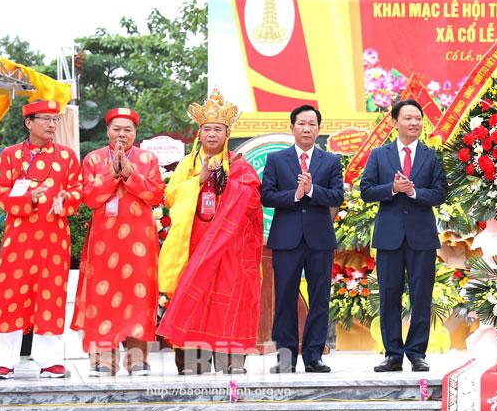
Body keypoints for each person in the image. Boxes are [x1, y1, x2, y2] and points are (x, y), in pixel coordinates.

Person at [157, 89, 264, 375]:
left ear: (227, 133)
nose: (212, 134)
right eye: (207, 129)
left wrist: (226, 184)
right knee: (194, 302)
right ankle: (193, 365)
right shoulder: (186, 166)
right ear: (199, 133)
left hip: (228, 249)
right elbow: (170, 195)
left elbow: (253, 198)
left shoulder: (239, 165)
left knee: (227, 303)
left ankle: (231, 363)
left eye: (218, 129)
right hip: (193, 246)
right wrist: (199, 181)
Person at [0, 100, 82, 379]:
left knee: (51, 296)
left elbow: (78, 189)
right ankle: (3, 361)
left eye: (55, 119)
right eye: (46, 119)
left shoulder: (66, 157)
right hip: (18, 241)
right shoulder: (10, 156)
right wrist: (30, 198)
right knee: (9, 294)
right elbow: (1, 193)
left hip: (54, 239)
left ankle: (49, 360)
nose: (52, 124)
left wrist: (66, 198)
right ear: (29, 123)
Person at [72, 108, 165, 377]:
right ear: (107, 131)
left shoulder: (148, 159)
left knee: (139, 297)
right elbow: (88, 198)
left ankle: (137, 361)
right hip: (104, 241)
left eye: (127, 129)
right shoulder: (93, 159)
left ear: (135, 132)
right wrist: (112, 174)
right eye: (116, 129)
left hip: (140, 240)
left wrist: (131, 175)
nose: (122, 134)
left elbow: (156, 194)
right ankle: (103, 360)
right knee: (101, 297)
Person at [361, 99, 448, 372]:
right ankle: (393, 354)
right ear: (394, 122)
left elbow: (440, 193)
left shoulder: (431, 156)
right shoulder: (379, 155)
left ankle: (417, 352)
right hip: (389, 237)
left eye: (418, 118)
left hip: (422, 236)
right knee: (389, 294)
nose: (414, 123)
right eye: (408, 118)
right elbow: (366, 191)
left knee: (421, 295)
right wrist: (392, 188)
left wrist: (413, 193)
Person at [261, 104, 344, 373]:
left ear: (319, 129)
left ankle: (313, 356)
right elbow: (267, 195)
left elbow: (337, 196)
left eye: (312, 124)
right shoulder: (276, 160)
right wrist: (295, 195)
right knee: (284, 297)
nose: (307, 128)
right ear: (292, 127)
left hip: (320, 239)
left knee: (320, 297)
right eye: (301, 123)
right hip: (286, 239)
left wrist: (312, 191)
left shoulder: (330, 161)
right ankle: (285, 357)